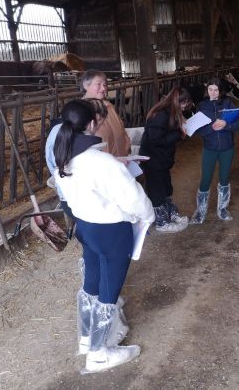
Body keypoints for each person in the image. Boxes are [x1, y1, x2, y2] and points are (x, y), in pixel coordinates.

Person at [53, 99, 155, 374]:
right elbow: (133, 197)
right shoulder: (100, 161)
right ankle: (98, 355)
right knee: (109, 290)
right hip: (111, 232)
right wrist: (148, 215)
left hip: (85, 228)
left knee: (92, 283)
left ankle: (87, 339)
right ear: (91, 124)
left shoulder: (64, 157)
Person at [139, 86, 192, 232]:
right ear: (175, 101)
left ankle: (169, 212)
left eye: (186, 103)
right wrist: (179, 133)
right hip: (152, 158)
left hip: (162, 158)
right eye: (183, 103)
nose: (185, 106)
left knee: (166, 186)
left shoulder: (172, 112)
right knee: (157, 189)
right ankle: (161, 221)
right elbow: (156, 139)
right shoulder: (161, 114)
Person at [190, 77, 239, 224]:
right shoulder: (202, 105)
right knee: (205, 178)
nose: (213, 93)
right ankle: (200, 212)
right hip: (210, 148)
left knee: (224, 178)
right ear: (207, 89)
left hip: (227, 148)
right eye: (210, 89)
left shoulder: (228, 103)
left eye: (216, 90)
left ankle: (223, 209)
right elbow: (198, 130)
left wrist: (226, 125)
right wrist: (211, 128)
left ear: (221, 91)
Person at [81, 69, 131, 157]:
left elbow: (121, 127)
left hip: (123, 158)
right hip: (104, 162)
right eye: (98, 84)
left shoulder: (109, 106)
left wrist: (127, 145)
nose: (104, 88)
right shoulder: (82, 111)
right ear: (86, 85)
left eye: (105, 85)